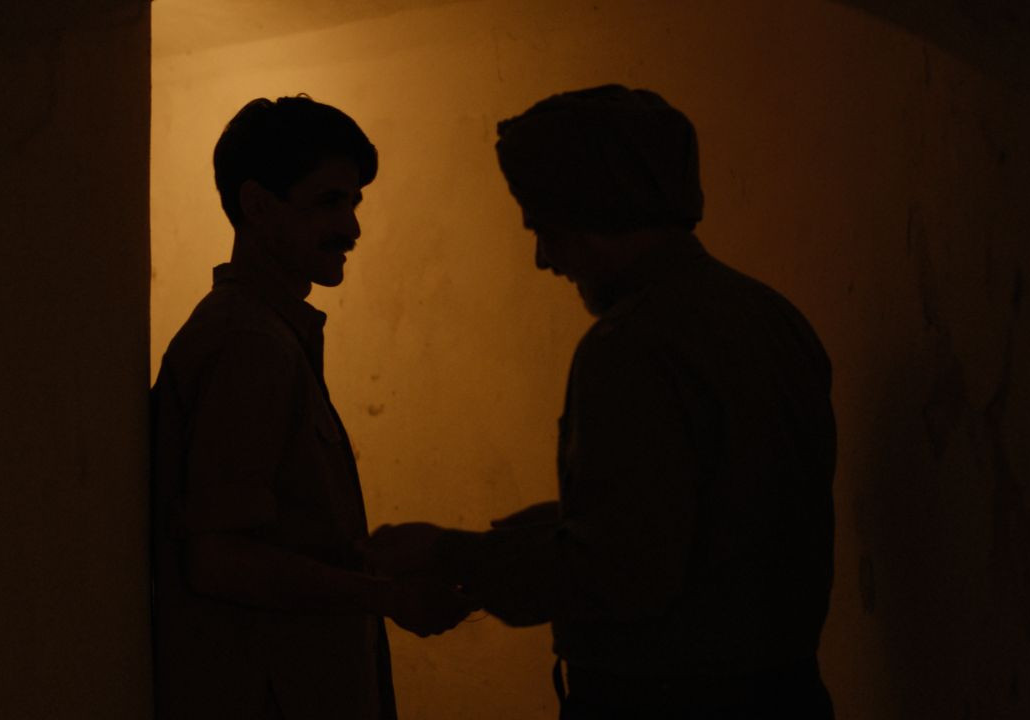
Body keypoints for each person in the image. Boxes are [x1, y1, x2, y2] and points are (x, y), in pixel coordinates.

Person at [366, 85, 837, 719]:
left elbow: (619, 574)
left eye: (546, 231)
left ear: (591, 215)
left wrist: (445, 554)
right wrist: (561, 527)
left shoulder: (631, 346)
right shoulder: (773, 317)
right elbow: (719, 515)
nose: (543, 260)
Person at [151, 95, 475, 720]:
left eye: (354, 203)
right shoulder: (249, 342)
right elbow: (218, 561)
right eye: (329, 202)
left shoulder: (269, 335)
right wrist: (386, 596)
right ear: (256, 205)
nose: (352, 229)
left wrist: (370, 565)